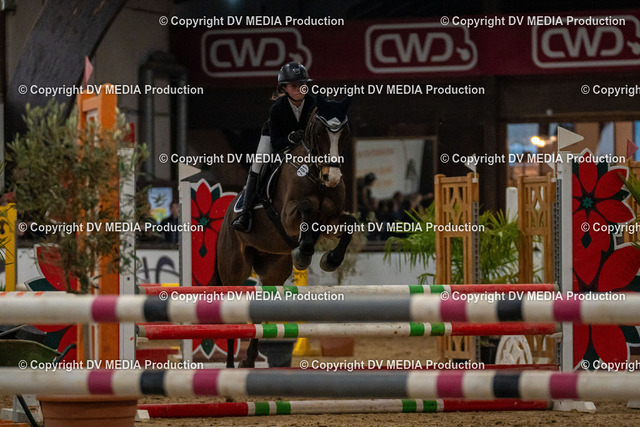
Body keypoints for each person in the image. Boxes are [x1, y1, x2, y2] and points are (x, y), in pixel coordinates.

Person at [232, 62, 316, 233]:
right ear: (284, 88)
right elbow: (276, 141)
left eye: (302, 84)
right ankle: (245, 212)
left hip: (304, 145)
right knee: (258, 164)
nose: (300, 89)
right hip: (273, 139)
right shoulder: (277, 108)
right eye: (294, 86)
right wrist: (291, 138)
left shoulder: (313, 103)